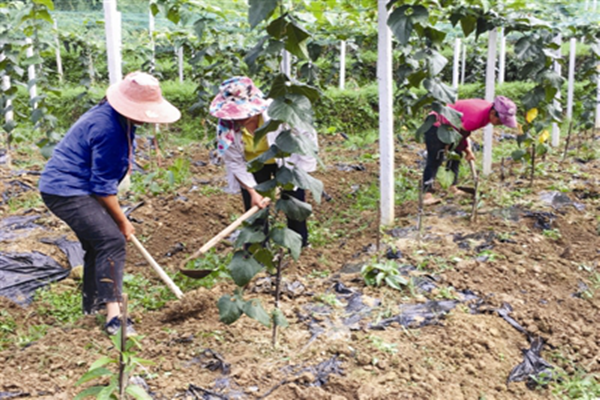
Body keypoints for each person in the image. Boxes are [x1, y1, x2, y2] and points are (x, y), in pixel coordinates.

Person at [38, 72, 181, 335]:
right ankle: (115, 318)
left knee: (98, 243)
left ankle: (93, 307)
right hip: (66, 190)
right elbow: (102, 187)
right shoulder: (109, 128)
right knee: (111, 240)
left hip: (74, 187)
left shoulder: (116, 117)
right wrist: (122, 221)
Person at [209, 76, 318, 247]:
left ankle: (299, 244)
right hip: (253, 165)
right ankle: (257, 249)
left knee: (294, 202)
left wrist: (299, 174)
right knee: (255, 210)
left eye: (244, 113)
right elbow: (235, 162)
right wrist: (253, 192)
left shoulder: (279, 114)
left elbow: (307, 139)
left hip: (287, 160)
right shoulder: (226, 128)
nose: (239, 119)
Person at [422, 96, 517, 205]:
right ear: (493, 113)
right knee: (435, 158)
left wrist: (465, 150)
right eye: (500, 120)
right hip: (436, 122)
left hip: (454, 126)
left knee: (456, 155)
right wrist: (468, 151)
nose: (501, 123)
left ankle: (452, 187)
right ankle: (426, 194)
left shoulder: (487, 111)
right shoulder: (475, 118)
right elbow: (460, 135)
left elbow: (462, 133)